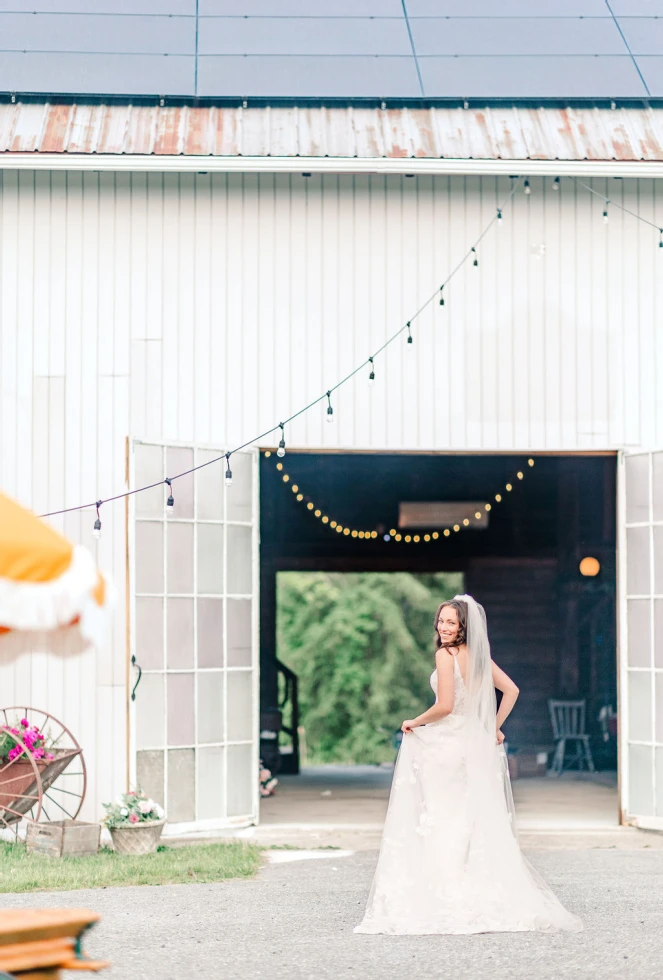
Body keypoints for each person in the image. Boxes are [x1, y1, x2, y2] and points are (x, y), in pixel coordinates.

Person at [354, 594, 583, 935]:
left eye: (451, 622)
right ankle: (470, 891)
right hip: (473, 743)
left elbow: (445, 706)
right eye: (441, 621)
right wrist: (493, 727)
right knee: (466, 816)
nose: (443, 627)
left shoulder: (445, 656)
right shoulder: (478, 658)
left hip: (448, 744)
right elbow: (512, 691)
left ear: (463, 626)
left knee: (442, 815)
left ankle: (444, 894)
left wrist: (414, 721)